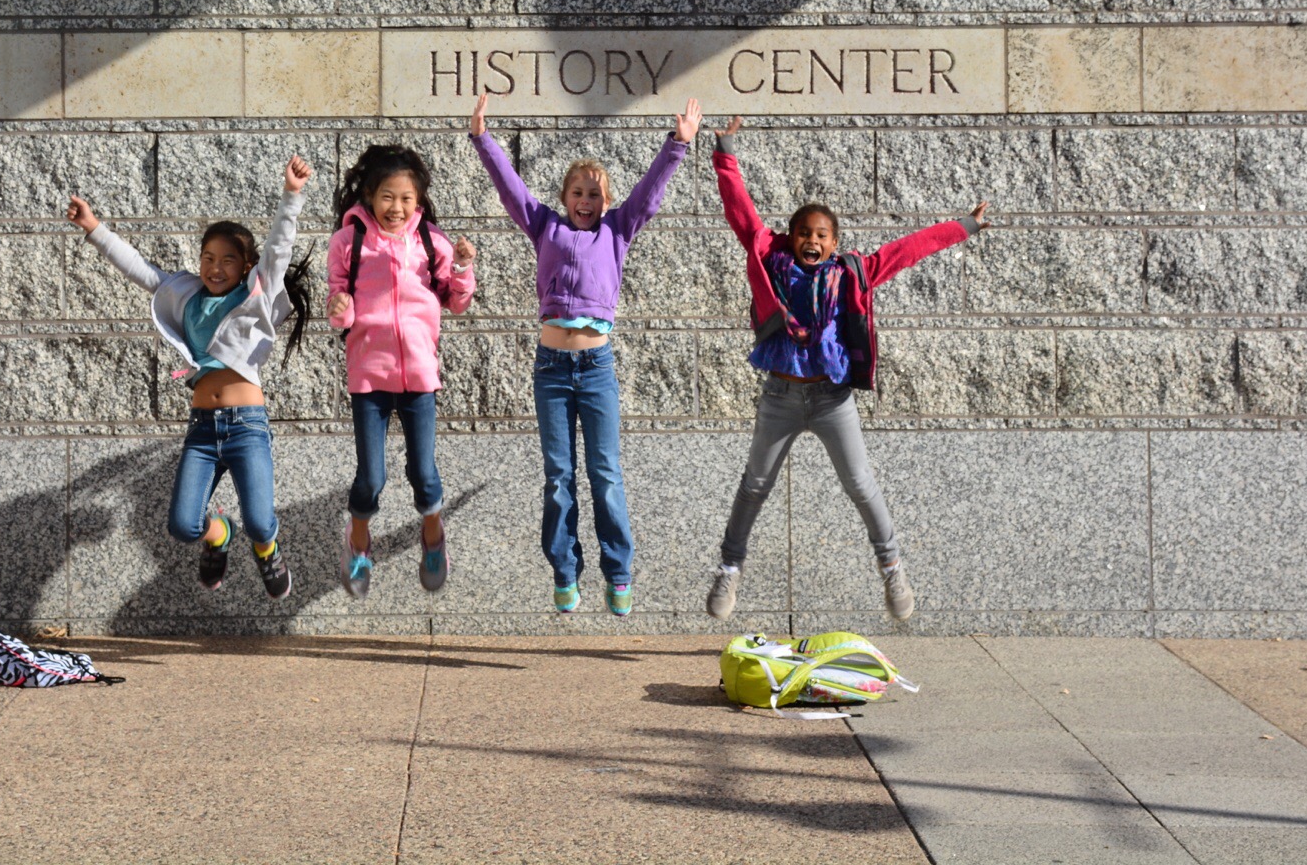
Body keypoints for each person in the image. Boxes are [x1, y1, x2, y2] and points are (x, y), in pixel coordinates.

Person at [704, 118, 989, 623]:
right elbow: (741, 214)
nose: (811, 240)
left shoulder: (851, 272)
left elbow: (907, 250)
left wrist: (962, 227)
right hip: (781, 397)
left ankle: (892, 567)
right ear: (791, 238)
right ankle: (730, 568)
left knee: (861, 485)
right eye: (803, 233)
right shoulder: (772, 260)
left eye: (821, 234)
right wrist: (726, 153)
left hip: (833, 398)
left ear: (834, 242)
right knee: (754, 485)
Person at [470, 92, 701, 616]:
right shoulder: (544, 226)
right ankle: (565, 569)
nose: (585, 201)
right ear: (565, 196)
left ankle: (617, 572)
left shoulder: (617, 231)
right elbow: (511, 189)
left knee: (605, 474)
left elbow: (647, 196)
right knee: (558, 476)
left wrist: (677, 146)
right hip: (551, 370)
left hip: (596, 369)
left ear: (604, 202)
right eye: (577, 192)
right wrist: (483, 138)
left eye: (594, 195)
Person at [64, 155, 314, 601]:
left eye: (228, 261)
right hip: (201, 430)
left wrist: (291, 195)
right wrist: (94, 227)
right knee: (184, 526)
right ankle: (220, 534)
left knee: (261, 520)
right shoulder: (186, 295)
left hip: (247, 426)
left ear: (245, 267)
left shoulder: (254, 297)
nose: (215, 268)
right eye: (208, 258)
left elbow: (278, 249)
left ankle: (265, 546)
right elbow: (140, 269)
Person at [326, 144, 477, 598]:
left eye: (407, 199)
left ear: (420, 201)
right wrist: (339, 310)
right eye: (388, 197)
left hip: (419, 378)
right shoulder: (348, 242)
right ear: (370, 195)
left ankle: (433, 537)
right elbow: (339, 311)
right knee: (370, 478)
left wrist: (465, 268)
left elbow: (456, 300)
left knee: (424, 475)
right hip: (369, 378)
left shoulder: (432, 241)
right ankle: (358, 542)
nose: (397, 207)